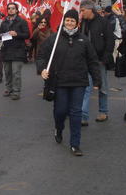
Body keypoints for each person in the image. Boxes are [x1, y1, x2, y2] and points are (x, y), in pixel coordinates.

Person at [37, 10, 101, 156]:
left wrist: (97, 79)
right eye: (67, 20)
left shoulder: (84, 41)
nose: (70, 23)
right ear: (63, 21)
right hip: (59, 82)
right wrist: (42, 69)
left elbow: (92, 61)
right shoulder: (54, 39)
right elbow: (41, 56)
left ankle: (75, 144)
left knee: (76, 113)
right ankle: (58, 128)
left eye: (72, 21)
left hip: (79, 81)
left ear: (77, 23)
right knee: (60, 111)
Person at [79, 0, 114, 125]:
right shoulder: (83, 23)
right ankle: (83, 116)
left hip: (99, 60)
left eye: (82, 11)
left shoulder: (104, 22)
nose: (81, 13)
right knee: (86, 88)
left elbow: (110, 41)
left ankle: (103, 111)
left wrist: (105, 58)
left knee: (102, 87)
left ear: (90, 9)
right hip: (86, 60)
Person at [0, 2, 30, 100]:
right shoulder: (4, 22)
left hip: (18, 50)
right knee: (7, 72)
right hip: (6, 50)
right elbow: (0, 35)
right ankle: (8, 88)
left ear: (17, 10)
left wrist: (17, 34)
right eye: (9, 8)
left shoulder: (22, 21)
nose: (10, 10)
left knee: (16, 73)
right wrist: (1, 34)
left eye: (13, 8)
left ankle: (16, 91)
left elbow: (27, 35)